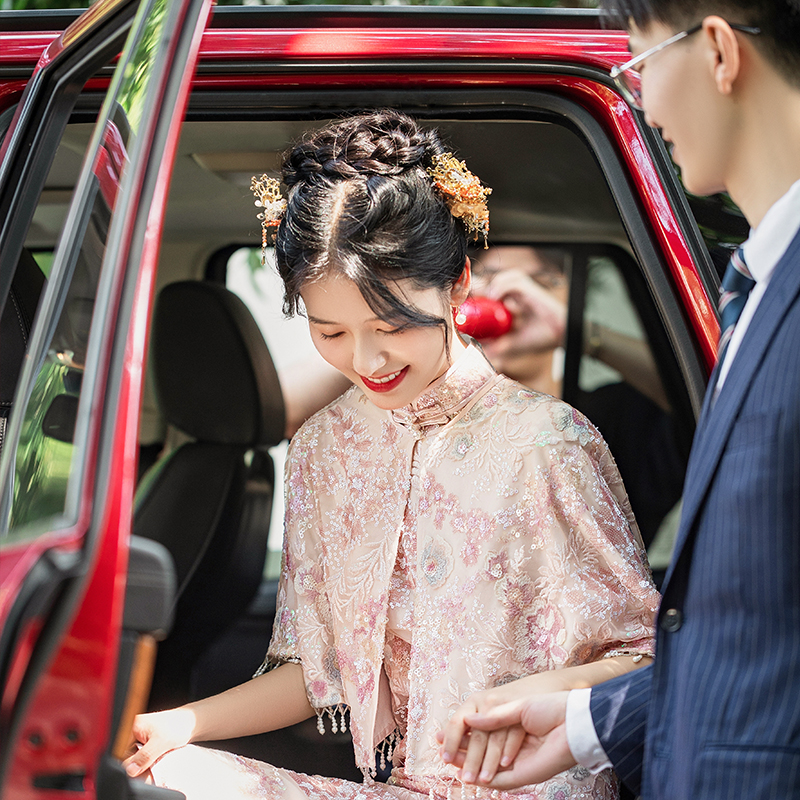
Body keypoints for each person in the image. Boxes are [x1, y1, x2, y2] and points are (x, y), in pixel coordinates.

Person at [122, 111, 659, 800]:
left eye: (391, 324)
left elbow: (647, 662)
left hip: (533, 791)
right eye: (331, 331)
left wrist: (544, 691)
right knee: (165, 779)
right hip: (394, 790)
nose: (366, 360)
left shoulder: (547, 443)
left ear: (459, 284)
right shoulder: (323, 449)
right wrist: (179, 723)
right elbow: (321, 672)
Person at [438, 2, 800, 798]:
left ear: (716, 52)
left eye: (639, 66)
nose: (643, 101)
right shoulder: (757, 288)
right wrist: (586, 723)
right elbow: (757, 637)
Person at [469, 245, 686, 550]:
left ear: (570, 296)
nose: (507, 298)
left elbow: (700, 395)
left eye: (539, 282)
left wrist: (577, 331)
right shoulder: (433, 416)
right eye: (486, 277)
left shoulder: (610, 418)